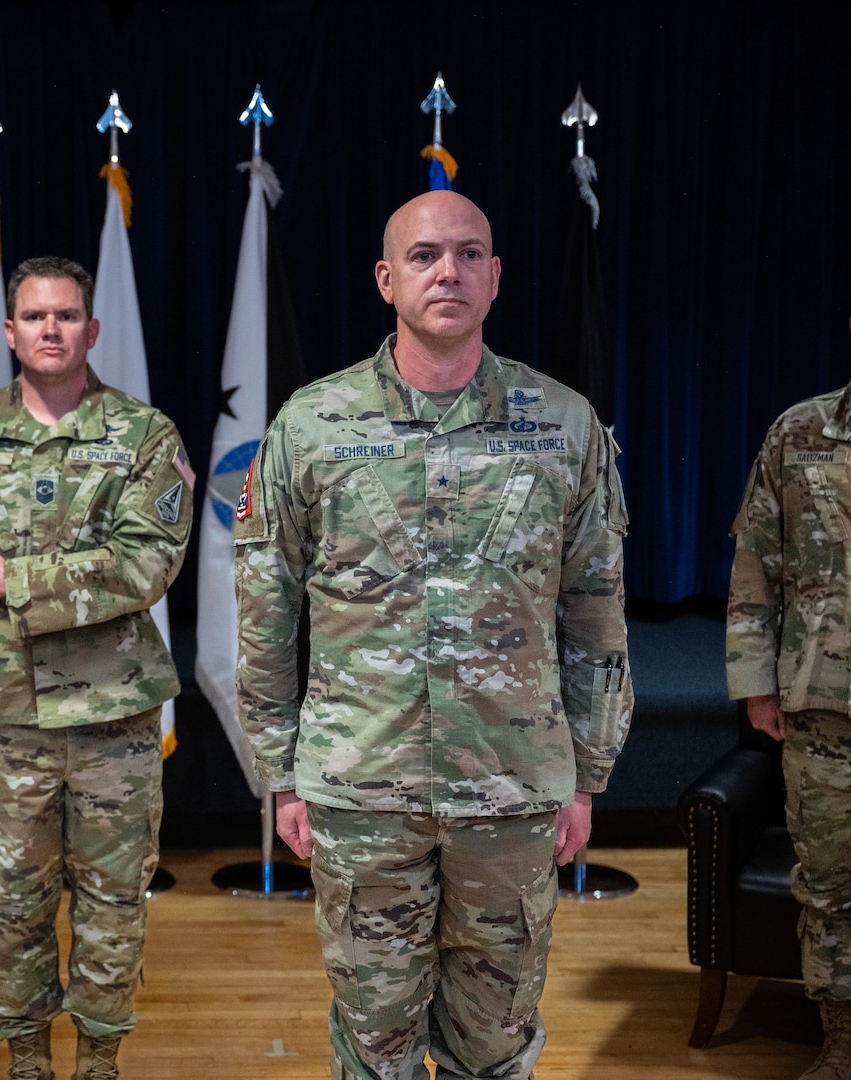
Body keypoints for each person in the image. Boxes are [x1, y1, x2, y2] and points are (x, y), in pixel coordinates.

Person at [234, 190, 632, 1080]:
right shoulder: (310, 426)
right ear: (386, 279)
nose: (446, 271)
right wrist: (280, 775)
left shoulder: (562, 426)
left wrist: (586, 775)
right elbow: (264, 613)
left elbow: (594, 608)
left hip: (514, 789)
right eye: (422, 256)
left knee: (493, 1046)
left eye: (467, 254)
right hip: (358, 788)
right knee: (373, 1044)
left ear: (494, 277)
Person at [0, 256, 193, 1080]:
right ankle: (27, 1060)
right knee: (14, 905)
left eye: (66, 316)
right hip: (0, 718)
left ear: (91, 329)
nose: (51, 330)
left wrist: (15, 581)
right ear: (9, 331)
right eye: (34, 317)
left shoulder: (145, 436)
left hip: (113, 721)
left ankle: (99, 1061)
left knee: (111, 904)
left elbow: (146, 566)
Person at [726, 320, 851, 1080]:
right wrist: (754, 683)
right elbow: (754, 564)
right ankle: (840, 1039)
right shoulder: (800, 432)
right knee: (830, 881)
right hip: (822, 705)